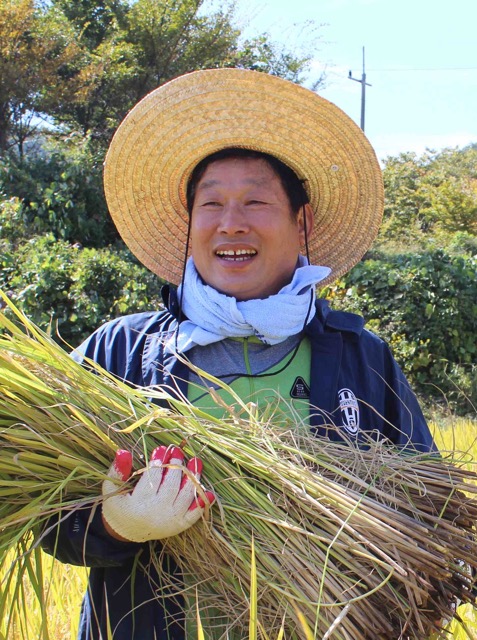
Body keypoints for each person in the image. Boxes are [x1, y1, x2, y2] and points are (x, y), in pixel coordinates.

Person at [41, 68, 435, 639]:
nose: (231, 223)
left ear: (303, 224)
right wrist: (116, 525)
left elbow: (425, 519)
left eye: (256, 201)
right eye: (212, 204)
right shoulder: (120, 352)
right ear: (190, 223)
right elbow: (49, 515)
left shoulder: (361, 359)